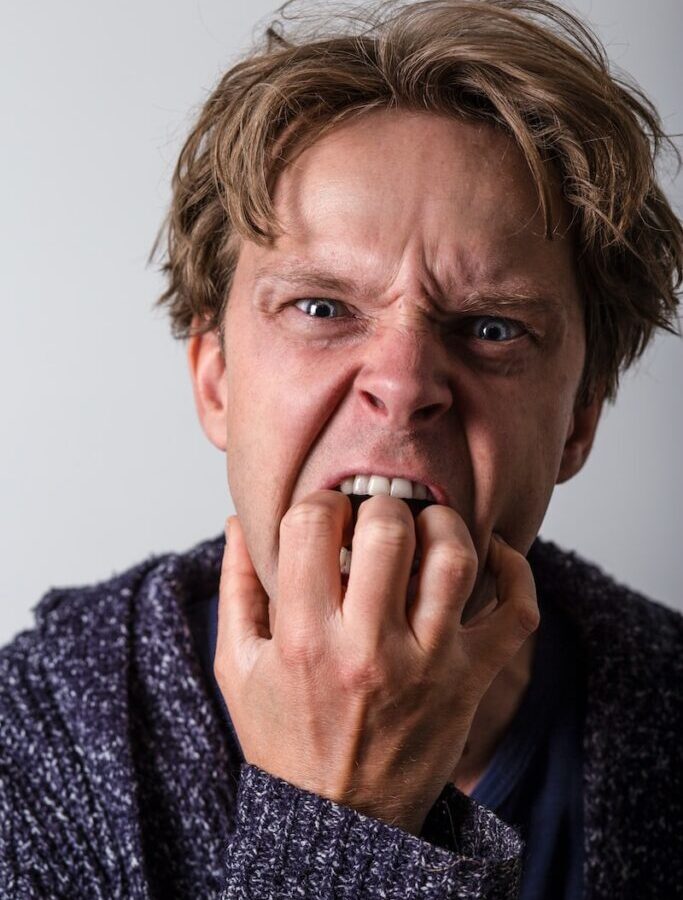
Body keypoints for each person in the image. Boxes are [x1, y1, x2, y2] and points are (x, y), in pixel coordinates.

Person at [1, 0, 681, 897]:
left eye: (490, 326)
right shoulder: (35, 743)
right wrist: (343, 816)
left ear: (579, 421)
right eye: (321, 308)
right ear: (215, 381)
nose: (402, 383)